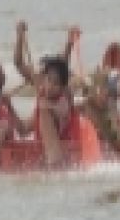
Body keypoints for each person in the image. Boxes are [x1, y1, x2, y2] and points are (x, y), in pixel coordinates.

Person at [15, 20, 79, 165]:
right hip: (44, 150)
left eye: (56, 84)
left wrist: (69, 43)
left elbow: (63, 65)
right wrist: (19, 36)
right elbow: (18, 63)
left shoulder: (66, 95)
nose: (50, 86)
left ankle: (55, 163)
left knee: (44, 110)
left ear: (63, 87)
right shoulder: (41, 85)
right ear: (44, 79)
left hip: (65, 152)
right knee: (28, 123)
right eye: (48, 80)